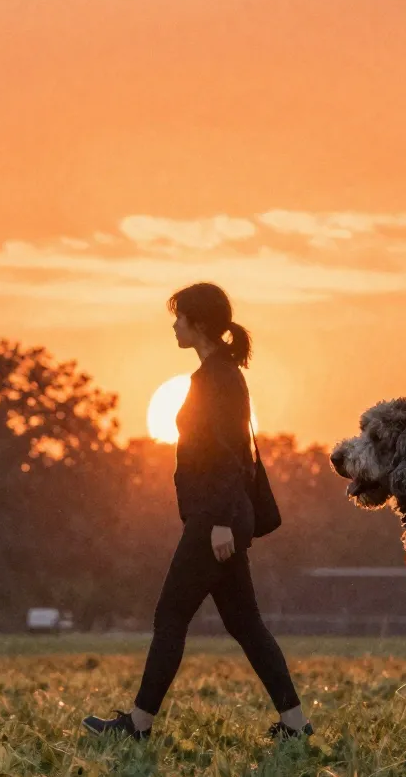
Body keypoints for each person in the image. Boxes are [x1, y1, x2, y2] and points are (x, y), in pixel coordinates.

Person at [84, 283, 312, 742]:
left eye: (180, 318)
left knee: (170, 615)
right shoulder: (218, 375)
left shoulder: (216, 379)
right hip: (217, 516)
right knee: (245, 623)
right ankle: (294, 725)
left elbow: (229, 454)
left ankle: (138, 725)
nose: (174, 325)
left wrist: (222, 520)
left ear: (199, 324)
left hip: (216, 519)